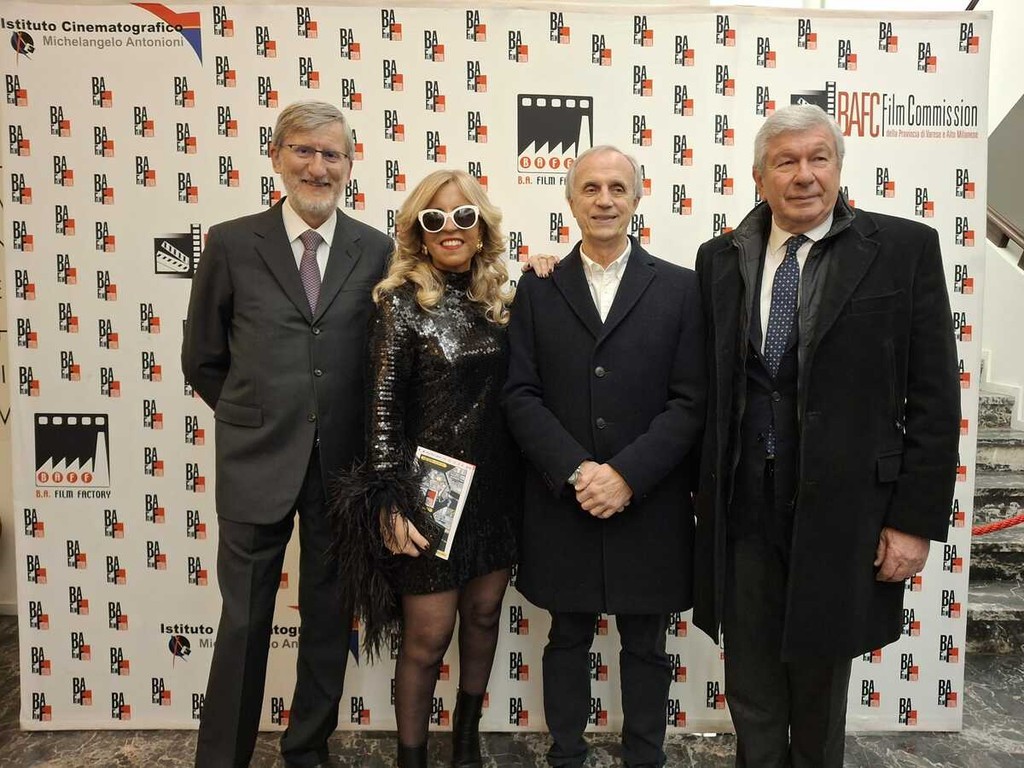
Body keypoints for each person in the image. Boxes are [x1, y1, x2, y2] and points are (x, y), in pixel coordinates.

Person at [692, 103, 961, 767]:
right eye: (785, 162)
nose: (804, 175)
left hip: (844, 512)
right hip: (743, 509)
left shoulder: (902, 249)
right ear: (759, 178)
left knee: (819, 690)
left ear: (839, 168)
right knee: (750, 684)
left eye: (819, 158)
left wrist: (913, 522)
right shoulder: (718, 260)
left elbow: (934, 398)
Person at [181, 100, 393, 768]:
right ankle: (223, 758)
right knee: (245, 618)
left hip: (343, 469)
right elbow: (202, 358)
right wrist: (255, 415)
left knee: (329, 616)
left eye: (332, 154)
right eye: (303, 150)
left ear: (350, 165)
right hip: (255, 461)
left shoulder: (376, 249)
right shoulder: (230, 243)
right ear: (276, 157)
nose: (317, 166)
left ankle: (307, 749)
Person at [331, 169, 552, 768]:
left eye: (463, 216)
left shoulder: (503, 302)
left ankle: (467, 745)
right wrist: (389, 501)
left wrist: (549, 269)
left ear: (482, 229)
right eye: (434, 218)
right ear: (418, 233)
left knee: (483, 616)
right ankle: (412, 758)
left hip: (498, 490)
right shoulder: (399, 305)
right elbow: (382, 411)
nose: (450, 228)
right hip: (431, 495)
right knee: (427, 638)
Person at [502, 145, 706, 768]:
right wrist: (578, 471)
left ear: (638, 199)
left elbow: (691, 401)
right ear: (570, 200)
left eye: (618, 188)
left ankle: (646, 755)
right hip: (564, 503)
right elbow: (520, 394)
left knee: (646, 644)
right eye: (590, 188)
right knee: (566, 638)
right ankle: (565, 755)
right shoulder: (537, 289)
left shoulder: (682, 288)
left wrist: (625, 475)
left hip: (649, 502)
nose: (605, 200)